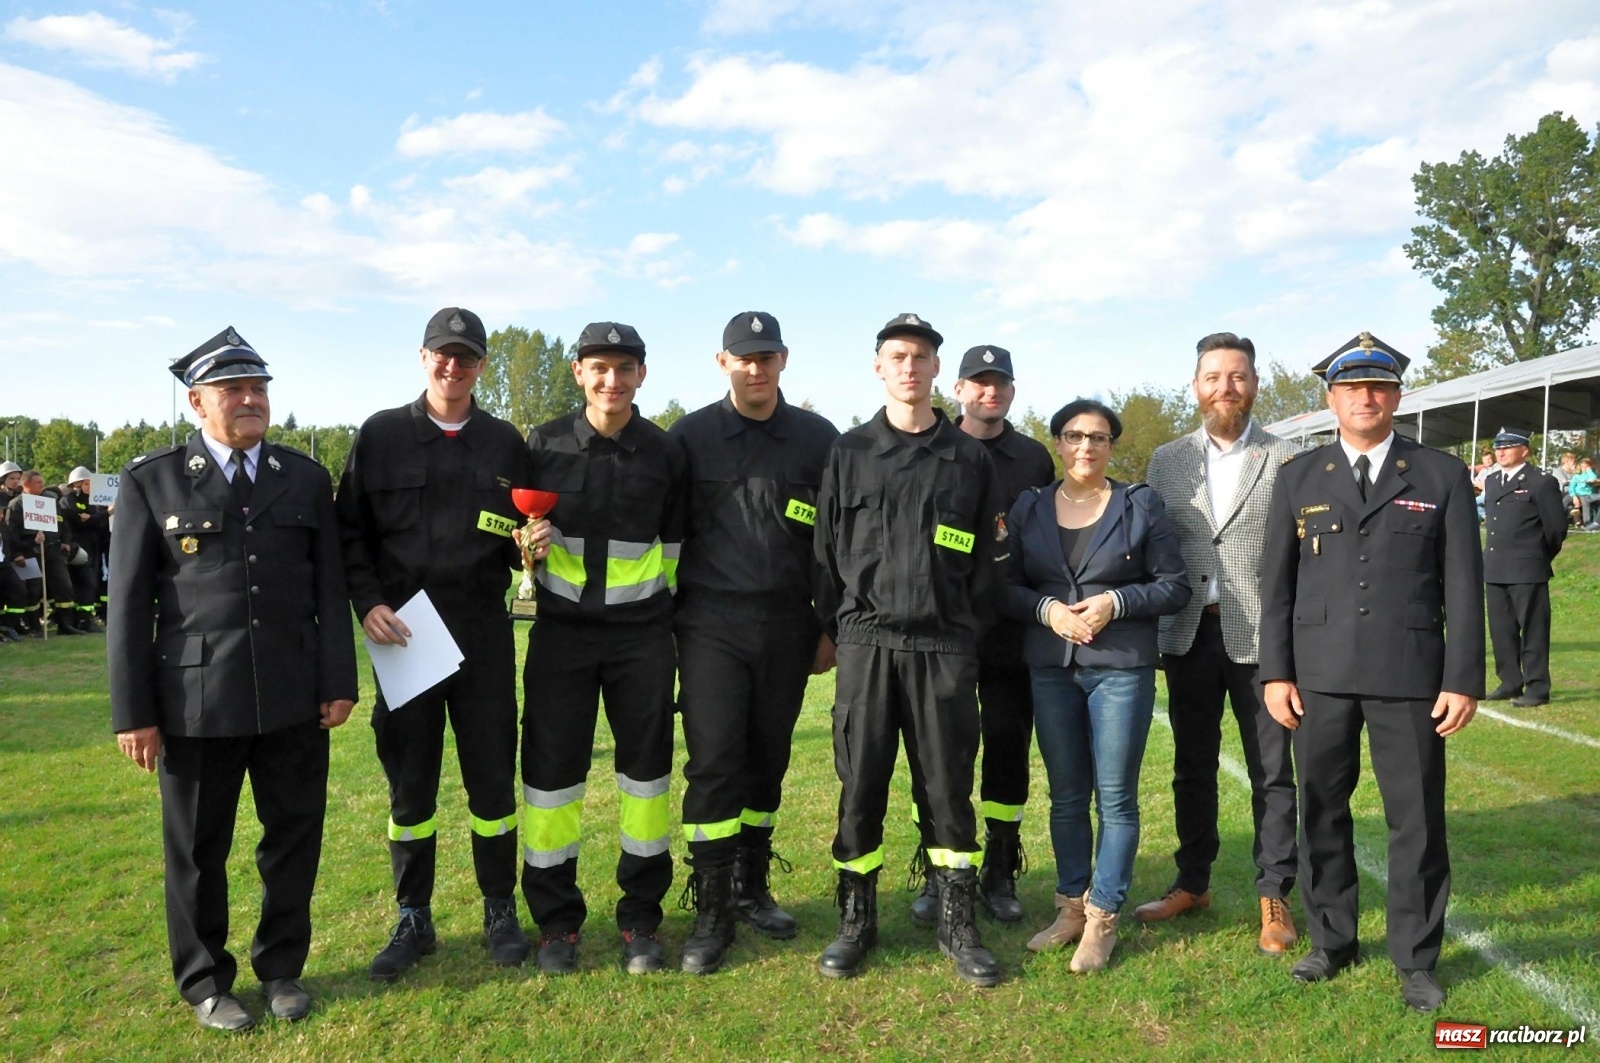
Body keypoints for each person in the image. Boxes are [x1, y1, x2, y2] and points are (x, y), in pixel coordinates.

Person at [107, 329, 357, 1032]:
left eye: (259, 388)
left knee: (293, 839)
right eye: (233, 390)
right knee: (196, 850)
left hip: (292, 695)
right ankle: (205, 981)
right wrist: (133, 713)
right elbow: (128, 606)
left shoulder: (303, 477)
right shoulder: (153, 479)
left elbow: (329, 587)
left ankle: (282, 968)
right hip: (196, 701)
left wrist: (338, 680)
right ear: (197, 402)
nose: (251, 400)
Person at [1259, 331, 1482, 1013]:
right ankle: (1332, 940)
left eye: (1379, 386)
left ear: (1397, 396)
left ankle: (1415, 958)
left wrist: (1462, 677)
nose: (1366, 397)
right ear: (1331, 398)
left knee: (1416, 820)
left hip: (1410, 676)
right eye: (1352, 387)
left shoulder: (1439, 474)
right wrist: (1276, 673)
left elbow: (1463, 584)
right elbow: (1277, 586)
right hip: (1319, 676)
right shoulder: (1299, 476)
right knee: (1323, 811)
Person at [336, 307, 534, 981]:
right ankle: (412, 915)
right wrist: (368, 602)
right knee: (410, 784)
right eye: (442, 354)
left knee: (492, 778)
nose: (453, 366)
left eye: (467, 357)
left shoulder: (505, 443)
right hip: (406, 634)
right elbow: (350, 534)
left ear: (482, 366)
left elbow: (519, 535)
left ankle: (500, 908)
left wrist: (529, 549)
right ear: (423, 357)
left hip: (482, 630)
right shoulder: (381, 434)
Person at [813, 313, 1009, 987]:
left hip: (944, 646)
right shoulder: (849, 452)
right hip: (867, 644)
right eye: (897, 356)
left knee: (949, 788)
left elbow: (990, 562)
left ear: (936, 370)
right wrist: (843, 627)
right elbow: (824, 556)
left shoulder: (969, 459)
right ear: (879, 366)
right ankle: (856, 920)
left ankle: (957, 923)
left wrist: (962, 630)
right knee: (860, 784)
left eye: (921, 356)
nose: (909, 366)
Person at [667, 311, 839, 974]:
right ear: (723, 362)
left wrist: (828, 625)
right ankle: (711, 908)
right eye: (744, 357)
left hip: (788, 626)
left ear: (783, 359)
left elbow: (837, 546)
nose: (756, 367)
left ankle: (752, 886)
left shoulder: (819, 440)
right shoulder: (690, 437)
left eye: (767, 356)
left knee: (768, 761)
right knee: (715, 763)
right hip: (709, 624)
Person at [520, 321, 686, 976]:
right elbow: (515, 540)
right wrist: (523, 555)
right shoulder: (542, 444)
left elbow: (677, 549)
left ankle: (641, 919)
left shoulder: (665, 452)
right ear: (578, 373)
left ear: (641, 374)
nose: (611, 380)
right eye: (598, 367)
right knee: (550, 780)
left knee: (646, 780)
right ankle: (555, 924)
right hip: (561, 635)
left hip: (642, 638)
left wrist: (666, 624)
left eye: (623, 368)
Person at [1004, 398, 1189, 972]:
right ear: (1058, 443)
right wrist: (1046, 610)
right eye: (1075, 435)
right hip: (1052, 668)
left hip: (1120, 669)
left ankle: (1103, 915)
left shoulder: (1140, 503)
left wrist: (1116, 601)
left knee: (1114, 797)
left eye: (1099, 437)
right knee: (1065, 795)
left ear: (1112, 446)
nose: (1086, 446)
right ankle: (1070, 907)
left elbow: (1174, 585)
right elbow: (1004, 586)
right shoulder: (1030, 506)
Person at [1137, 333, 1302, 956]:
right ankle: (1192, 882)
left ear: (1254, 384)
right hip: (1187, 633)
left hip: (1264, 637)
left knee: (1272, 772)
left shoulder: (1289, 457)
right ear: (1196, 386)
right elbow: (1151, 548)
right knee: (1191, 767)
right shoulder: (1166, 460)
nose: (1225, 387)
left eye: (1237, 376)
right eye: (1213, 377)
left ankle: (1275, 893)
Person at [904, 344, 1053, 926]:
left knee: (1008, 751)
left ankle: (1000, 869)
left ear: (1012, 390)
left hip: (1009, 632)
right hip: (942, 630)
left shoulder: (1033, 458)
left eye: (1001, 383)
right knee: (938, 756)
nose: (991, 392)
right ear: (959, 388)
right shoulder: (933, 447)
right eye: (980, 382)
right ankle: (936, 868)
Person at [1481, 428, 1567, 708]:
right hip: (1495, 567)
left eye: (1508, 447)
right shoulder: (1492, 480)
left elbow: (1556, 529)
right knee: (1501, 630)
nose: (1501, 452)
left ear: (1525, 450)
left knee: (1533, 630)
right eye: (1498, 447)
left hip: (1528, 568)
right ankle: (1510, 681)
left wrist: (1537, 556)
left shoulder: (1541, 482)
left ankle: (1538, 687)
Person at [7, 470, 79, 635]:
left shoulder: (50, 502)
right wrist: (17, 553)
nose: (42, 485)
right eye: (38, 482)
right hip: (29, 553)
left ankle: (64, 624)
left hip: (53, 551)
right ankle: (34, 625)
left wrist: (66, 541)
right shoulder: (17, 505)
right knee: (33, 591)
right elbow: (11, 533)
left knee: (64, 586)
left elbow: (62, 523)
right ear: (26, 484)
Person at [60, 466, 109, 630]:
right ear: (76, 485)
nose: (90, 487)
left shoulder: (94, 502)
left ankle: (85, 618)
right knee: (85, 582)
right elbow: (82, 521)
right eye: (87, 484)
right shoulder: (68, 500)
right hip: (78, 548)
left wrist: (95, 517)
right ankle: (82, 620)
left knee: (91, 583)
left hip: (94, 547)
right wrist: (105, 514)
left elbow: (94, 521)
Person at [1568, 456, 1596, 528]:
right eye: (1583, 466)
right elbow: (1571, 487)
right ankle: (1585, 522)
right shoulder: (1576, 476)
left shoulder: (1591, 474)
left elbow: (1593, 479)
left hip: (1587, 494)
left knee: (1585, 502)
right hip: (1577, 494)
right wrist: (1574, 496)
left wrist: (1589, 471)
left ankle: (1585, 522)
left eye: (1586, 467)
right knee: (1567, 501)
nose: (1584, 468)